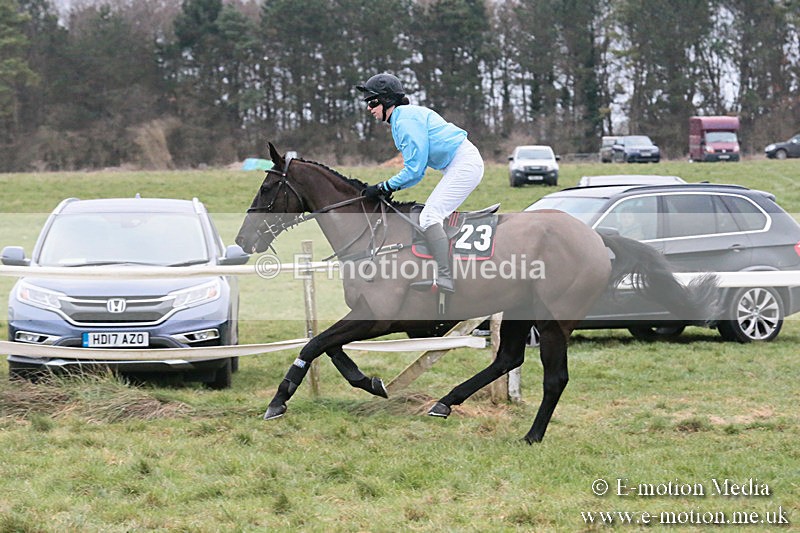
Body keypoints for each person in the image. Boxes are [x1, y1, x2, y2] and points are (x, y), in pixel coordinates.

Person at [356, 73, 484, 294]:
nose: (369, 107)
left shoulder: (404, 120)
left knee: (429, 216)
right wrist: (388, 187)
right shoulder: (402, 119)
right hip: (459, 163)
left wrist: (384, 187)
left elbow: (415, 171)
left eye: (372, 101)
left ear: (387, 101)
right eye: (368, 102)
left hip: (464, 164)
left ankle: (445, 277)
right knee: (431, 214)